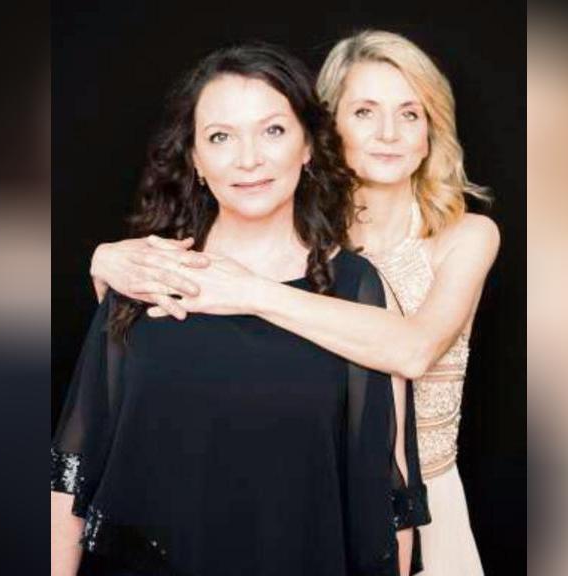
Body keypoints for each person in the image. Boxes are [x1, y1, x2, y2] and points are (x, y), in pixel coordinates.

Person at [89, 31, 498, 575]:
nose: (389, 134)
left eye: (410, 114)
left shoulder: (468, 235)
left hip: (424, 501)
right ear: (327, 128)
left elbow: (414, 350)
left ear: (431, 133)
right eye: (365, 112)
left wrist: (252, 292)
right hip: (312, 491)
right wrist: (104, 260)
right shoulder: (294, 233)